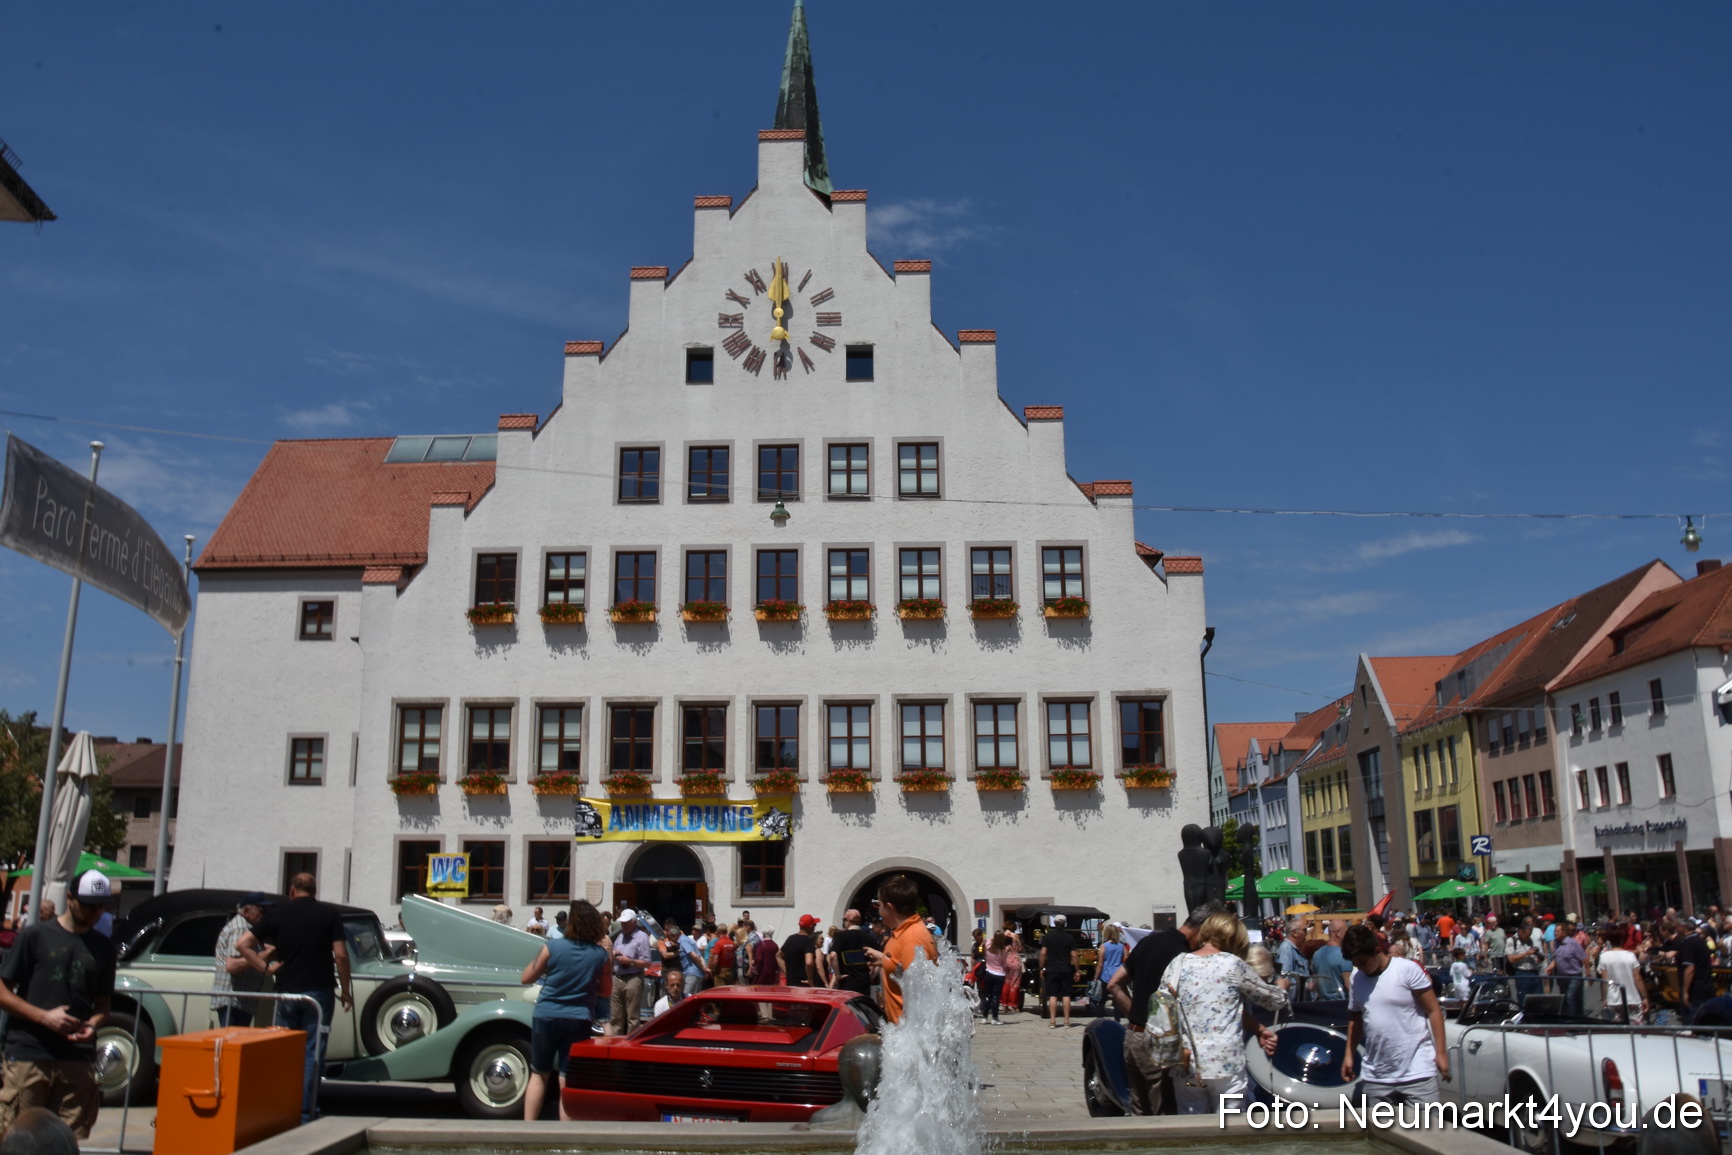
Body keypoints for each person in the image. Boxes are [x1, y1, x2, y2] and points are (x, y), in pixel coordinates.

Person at [0, 870, 117, 1140]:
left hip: (77, 1058)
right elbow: (3, 991)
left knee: (66, 1141)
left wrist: (93, 1025)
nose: (95, 912)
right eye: (88, 905)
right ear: (70, 899)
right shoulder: (35, 936)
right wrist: (44, 1017)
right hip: (30, 1053)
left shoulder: (104, 947)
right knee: (20, 1139)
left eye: (101, 906)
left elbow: (103, 1005)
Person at [242, 873, 352, 1124]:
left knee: (285, 1051)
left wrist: (264, 968)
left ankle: (283, 1108)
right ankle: (305, 1111)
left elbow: (243, 944)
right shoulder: (329, 915)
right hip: (319, 992)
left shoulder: (277, 915)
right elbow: (341, 955)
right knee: (312, 1052)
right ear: (315, 890)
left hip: (286, 991)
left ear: (292, 891)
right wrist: (346, 991)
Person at [1159, 910, 1283, 1115]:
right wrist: (1282, 986)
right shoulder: (1232, 964)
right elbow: (1273, 1001)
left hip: (1186, 1060)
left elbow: (1164, 1005)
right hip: (1225, 1061)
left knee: (1191, 1123)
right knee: (1229, 1123)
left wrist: (1258, 1029)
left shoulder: (1178, 963)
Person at [1108, 903, 1212, 1115]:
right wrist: (1153, 1026)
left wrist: (1138, 1019)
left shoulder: (1149, 940)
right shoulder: (1184, 956)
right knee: (1164, 1116)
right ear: (1205, 928)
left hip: (1133, 1038)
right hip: (1160, 1043)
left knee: (1140, 1110)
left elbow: (1114, 984)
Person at [1341, 924, 1448, 1106]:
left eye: (1364, 962)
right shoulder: (1356, 978)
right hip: (1376, 1075)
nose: (1361, 967)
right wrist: (1349, 1054)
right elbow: (1356, 1018)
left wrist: (1441, 1053)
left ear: (1377, 951)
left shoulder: (1406, 969)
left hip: (1417, 1071)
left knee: (1427, 1124)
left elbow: (1433, 1010)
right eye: (1356, 964)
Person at [520, 899, 607, 1121]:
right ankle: (564, 1134)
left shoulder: (552, 947)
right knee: (567, 1078)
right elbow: (606, 991)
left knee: (539, 1074)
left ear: (572, 922)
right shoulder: (600, 954)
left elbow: (526, 978)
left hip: (546, 1014)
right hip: (578, 1019)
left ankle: (528, 1129)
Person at [863, 876, 938, 1024]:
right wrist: (884, 960)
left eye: (880, 905)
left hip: (908, 1030)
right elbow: (904, 969)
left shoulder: (912, 938)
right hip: (901, 1029)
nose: (879, 912)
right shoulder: (905, 931)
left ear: (889, 907)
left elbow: (917, 992)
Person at [211, 893, 275, 1028]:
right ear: (247, 911)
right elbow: (232, 965)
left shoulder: (247, 928)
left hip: (240, 1001)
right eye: (262, 910)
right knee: (233, 1039)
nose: (265, 915)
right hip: (233, 1001)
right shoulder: (240, 928)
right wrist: (262, 956)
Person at [608, 909, 652, 1035]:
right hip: (617, 978)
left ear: (633, 922)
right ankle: (615, 1042)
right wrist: (614, 954)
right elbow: (613, 952)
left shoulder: (642, 937)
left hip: (633, 978)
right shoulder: (620, 936)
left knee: (633, 1017)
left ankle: (631, 1042)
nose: (623, 925)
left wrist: (630, 961)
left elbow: (647, 962)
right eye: (622, 923)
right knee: (615, 1016)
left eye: (626, 922)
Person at [1597, 922, 1647, 1024]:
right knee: (1635, 1028)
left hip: (1613, 999)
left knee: (1616, 1029)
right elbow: (1637, 979)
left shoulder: (1604, 957)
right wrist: (1645, 997)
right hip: (1632, 998)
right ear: (1622, 939)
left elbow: (1604, 981)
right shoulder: (1630, 956)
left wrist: (1604, 998)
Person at [1040, 914, 1077, 1029]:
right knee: (1066, 994)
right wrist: (1077, 970)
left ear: (1054, 924)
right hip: (1065, 968)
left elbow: (1043, 953)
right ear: (1065, 924)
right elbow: (1074, 955)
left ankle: (1052, 1021)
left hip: (1052, 968)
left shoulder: (1048, 937)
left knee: (1053, 995)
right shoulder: (1070, 938)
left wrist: (1041, 967)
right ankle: (1066, 1021)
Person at [1547, 918, 1587, 1016]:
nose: (1555, 933)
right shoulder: (1555, 943)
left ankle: (1572, 1019)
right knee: (1565, 998)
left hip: (1574, 975)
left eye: (1557, 931)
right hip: (1562, 976)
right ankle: (1570, 1017)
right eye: (1555, 931)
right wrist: (1550, 966)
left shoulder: (1572, 943)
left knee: (1570, 996)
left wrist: (1588, 972)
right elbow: (1556, 958)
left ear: (1564, 933)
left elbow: (1583, 957)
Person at [828, 909, 874, 995]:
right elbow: (880, 957)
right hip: (864, 983)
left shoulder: (842, 936)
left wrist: (837, 975)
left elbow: (833, 955)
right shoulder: (868, 937)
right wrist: (872, 974)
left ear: (848, 921)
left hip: (847, 982)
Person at [1310, 920, 1352, 998]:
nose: (1348, 935)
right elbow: (1348, 986)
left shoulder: (1317, 954)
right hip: (1341, 1002)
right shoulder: (1344, 955)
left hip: (1323, 1003)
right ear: (1337, 933)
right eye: (1346, 932)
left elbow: (1315, 984)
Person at [977, 932, 1012, 1025]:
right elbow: (1004, 963)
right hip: (1000, 974)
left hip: (989, 973)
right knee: (996, 997)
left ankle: (984, 1017)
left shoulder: (988, 946)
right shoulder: (1003, 951)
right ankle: (994, 1018)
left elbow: (989, 939)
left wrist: (999, 935)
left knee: (988, 995)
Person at [1097, 924, 1126, 1021]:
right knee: (1117, 999)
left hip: (1106, 974)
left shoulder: (1104, 946)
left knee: (1102, 999)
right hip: (1117, 974)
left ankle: (1100, 1019)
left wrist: (1096, 976)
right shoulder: (1121, 946)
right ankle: (1117, 1019)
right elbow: (1125, 960)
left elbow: (1100, 964)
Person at [780, 915, 819, 987]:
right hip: (803, 984)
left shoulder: (790, 939)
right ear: (810, 926)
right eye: (814, 925)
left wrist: (788, 973)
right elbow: (809, 962)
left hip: (791, 983)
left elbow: (778, 956)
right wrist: (810, 980)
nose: (814, 927)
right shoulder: (808, 941)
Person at [677, 921, 710, 993]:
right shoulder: (689, 938)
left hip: (693, 971)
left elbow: (695, 955)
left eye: (696, 930)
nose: (694, 932)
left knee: (687, 995)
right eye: (693, 930)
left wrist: (704, 968)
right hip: (697, 970)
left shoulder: (702, 938)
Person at [1000, 920, 1025, 1014]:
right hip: (1014, 960)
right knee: (1015, 983)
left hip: (1005, 960)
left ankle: (1004, 1004)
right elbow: (1021, 948)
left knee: (1006, 982)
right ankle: (1012, 1004)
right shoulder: (1015, 936)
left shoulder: (1002, 936)